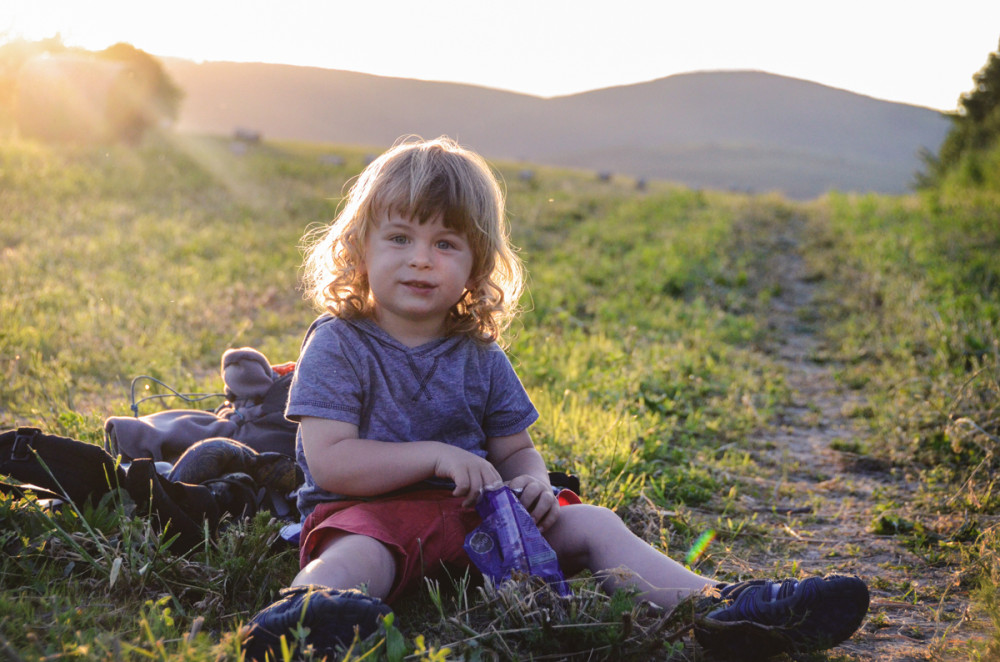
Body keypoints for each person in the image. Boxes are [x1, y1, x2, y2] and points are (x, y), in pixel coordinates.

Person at [242, 136, 869, 660]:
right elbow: (330, 461)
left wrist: (533, 482)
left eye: (445, 245)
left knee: (591, 521)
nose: (421, 261)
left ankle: (722, 606)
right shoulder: (340, 342)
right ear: (359, 249)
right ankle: (307, 616)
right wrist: (434, 455)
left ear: (477, 263)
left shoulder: (478, 353)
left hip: (480, 521)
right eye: (400, 239)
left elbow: (514, 449)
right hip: (371, 514)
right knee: (359, 557)